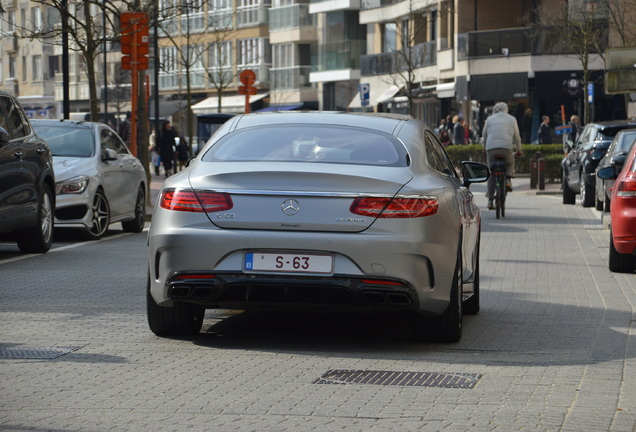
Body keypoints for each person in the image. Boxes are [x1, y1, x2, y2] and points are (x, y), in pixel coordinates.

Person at [482, 102, 523, 210]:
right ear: (506, 110)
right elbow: (517, 137)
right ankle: (508, 179)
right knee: (510, 162)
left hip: (491, 148)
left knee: (491, 173)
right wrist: (519, 150)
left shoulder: (489, 119)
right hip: (506, 148)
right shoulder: (512, 119)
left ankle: (490, 200)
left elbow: (484, 136)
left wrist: (484, 149)